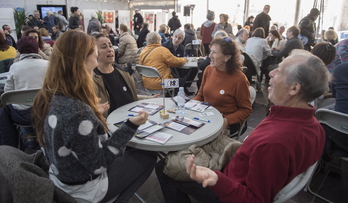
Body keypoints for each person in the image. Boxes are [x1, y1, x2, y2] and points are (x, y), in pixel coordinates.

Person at [158, 50, 329, 203]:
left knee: (162, 168)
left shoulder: (275, 143)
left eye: (279, 71)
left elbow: (253, 199)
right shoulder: (316, 127)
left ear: (294, 88)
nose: (271, 72)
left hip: (227, 186)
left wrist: (217, 179)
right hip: (236, 167)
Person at [31, 30, 157, 203]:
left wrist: (90, 112)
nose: (100, 54)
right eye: (96, 51)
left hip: (61, 177)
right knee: (148, 157)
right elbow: (99, 164)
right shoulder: (77, 113)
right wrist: (130, 126)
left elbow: (67, 134)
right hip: (85, 190)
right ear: (84, 59)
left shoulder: (48, 96)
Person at [194, 37, 252, 135]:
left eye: (215, 52)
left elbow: (246, 110)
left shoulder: (239, 79)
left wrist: (226, 120)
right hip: (205, 118)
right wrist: (187, 107)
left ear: (227, 57)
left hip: (227, 122)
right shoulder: (208, 70)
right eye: (210, 51)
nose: (210, 56)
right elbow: (200, 95)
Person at [93, 34, 158, 118]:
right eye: (104, 47)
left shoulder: (123, 72)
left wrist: (149, 98)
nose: (110, 50)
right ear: (94, 52)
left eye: (110, 46)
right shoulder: (93, 79)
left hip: (130, 119)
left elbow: (130, 97)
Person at [0, 36, 48, 149]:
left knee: (19, 106)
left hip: (20, 116)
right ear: (37, 49)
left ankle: (29, 139)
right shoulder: (48, 65)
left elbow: (8, 93)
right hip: (45, 112)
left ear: (19, 50)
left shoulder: (15, 67)